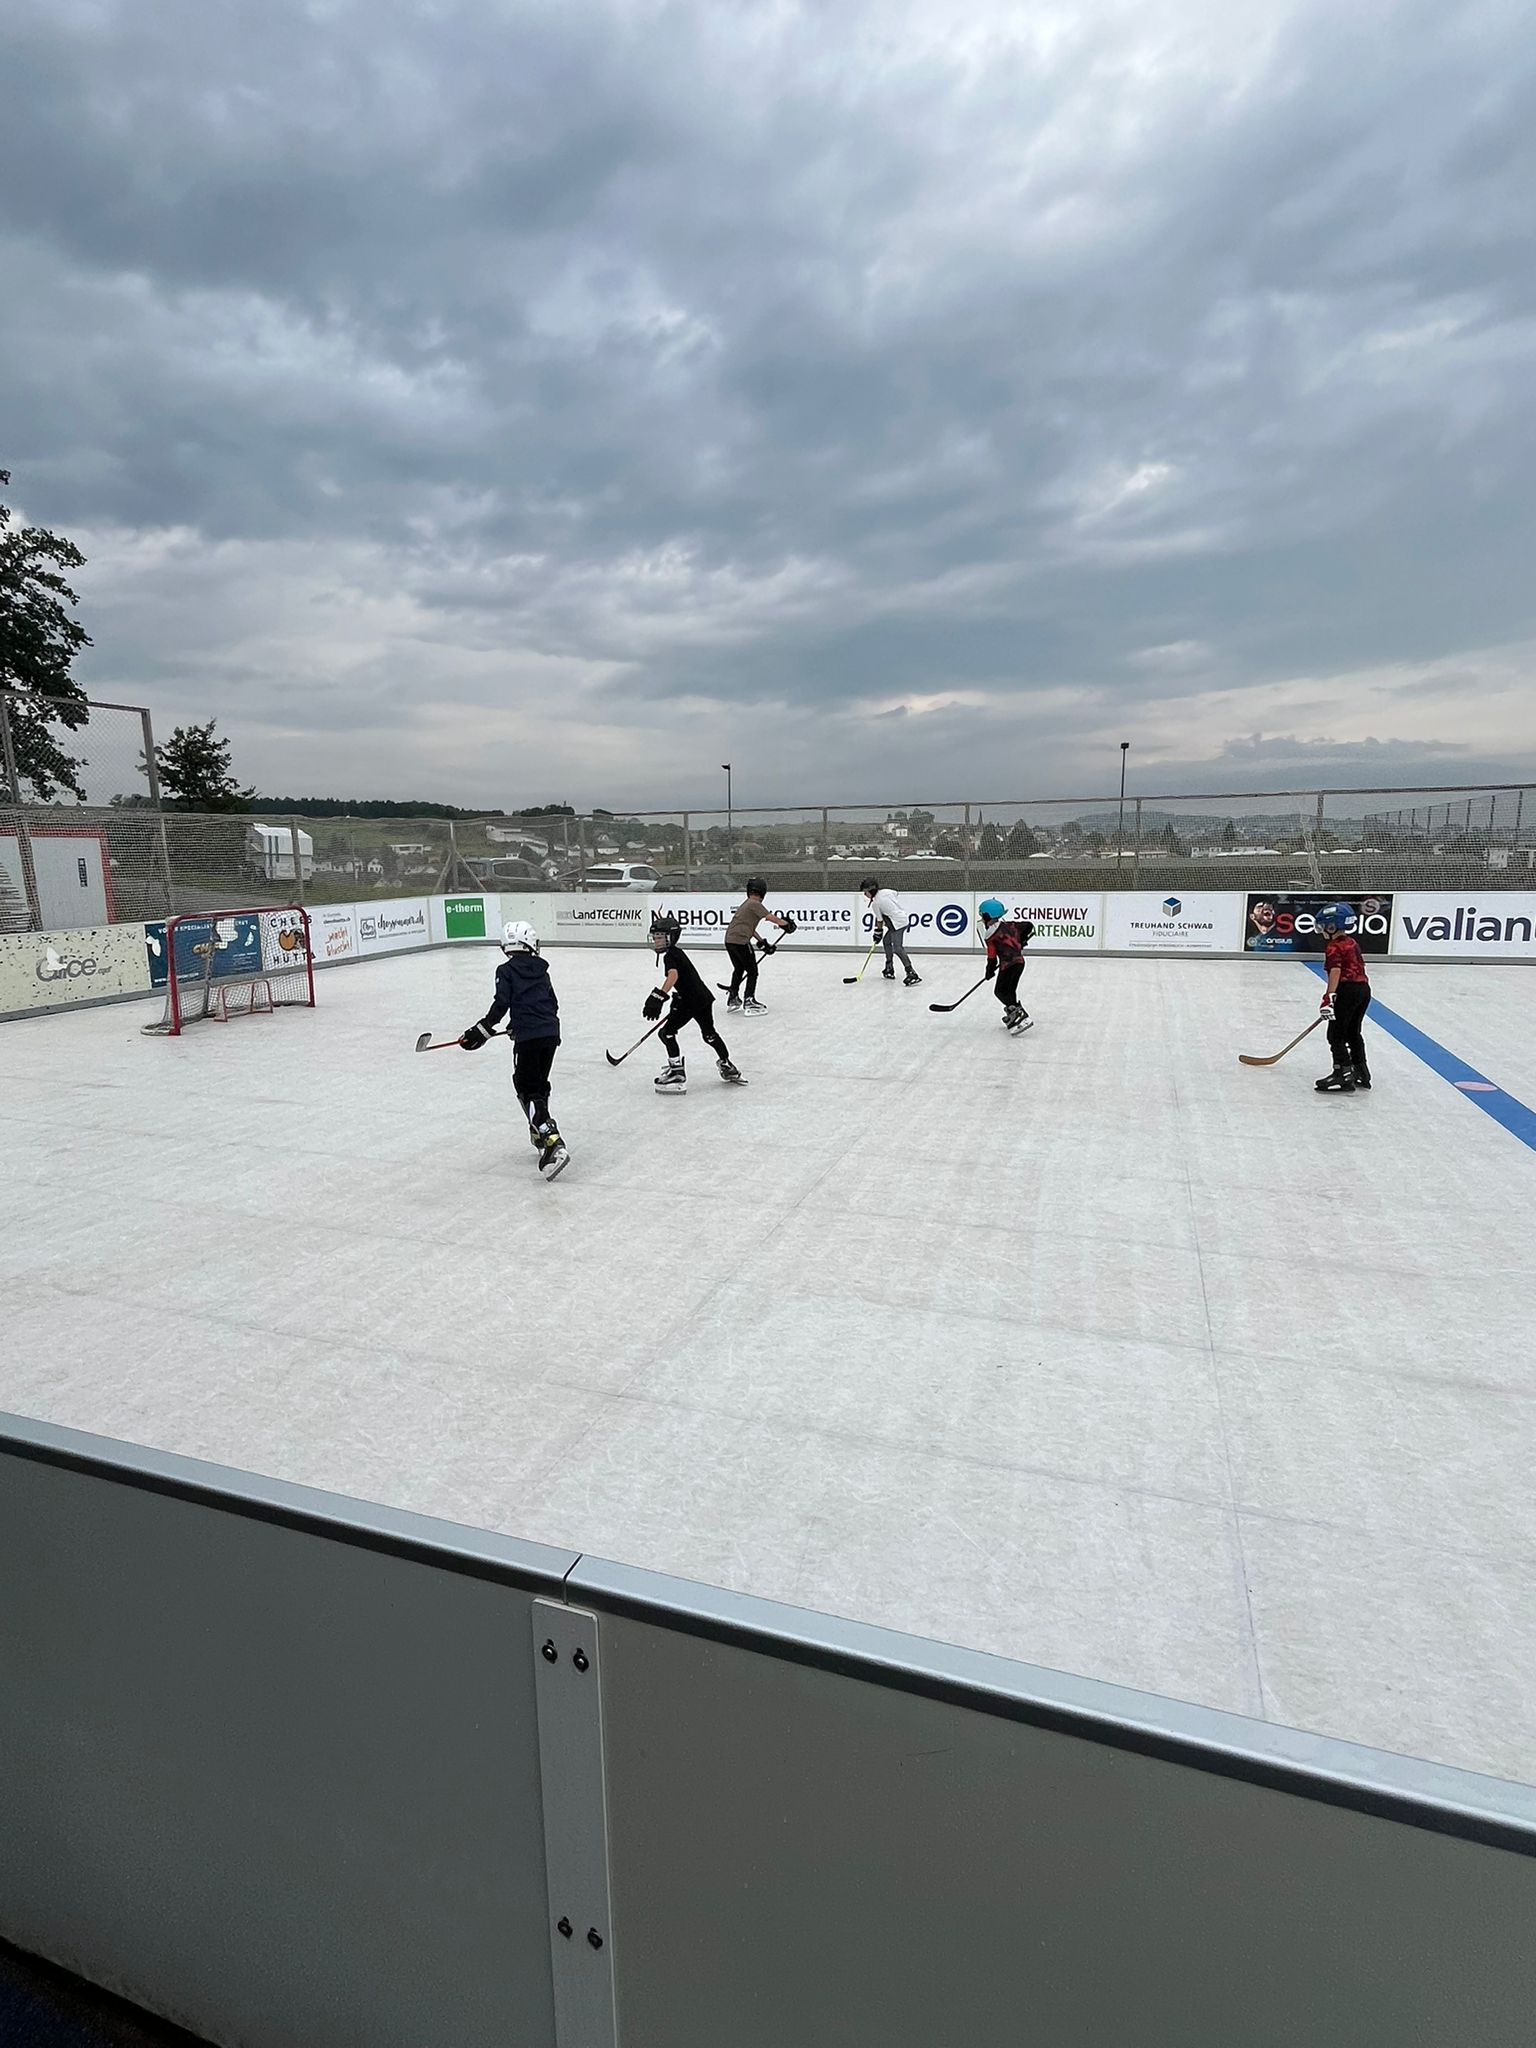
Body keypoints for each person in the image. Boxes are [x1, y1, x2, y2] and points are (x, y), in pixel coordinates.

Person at [460, 921, 568, 1177]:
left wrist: (480, 1031)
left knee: (525, 1086)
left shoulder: (505, 970)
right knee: (539, 1084)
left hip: (529, 1037)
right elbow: (551, 1004)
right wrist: (518, 1024)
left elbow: (502, 1003)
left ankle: (551, 1138)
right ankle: (538, 1131)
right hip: (550, 1033)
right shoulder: (542, 971)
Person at [645, 911, 746, 1094]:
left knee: (666, 1033)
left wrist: (659, 996)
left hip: (691, 1001)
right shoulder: (676, 952)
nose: (656, 941)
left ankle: (677, 1074)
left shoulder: (670, 956)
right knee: (709, 1034)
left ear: (671, 937)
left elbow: (673, 976)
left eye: (660, 937)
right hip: (703, 998)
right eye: (655, 937)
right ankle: (726, 1063)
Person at [1315, 902, 1372, 1094]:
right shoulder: (1352, 942)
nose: (1321, 929)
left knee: (1335, 1034)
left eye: (1323, 925)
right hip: (1363, 990)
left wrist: (1328, 997)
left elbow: (1335, 972)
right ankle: (1361, 1071)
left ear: (1332, 926)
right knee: (1353, 1032)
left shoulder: (1333, 947)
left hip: (1347, 992)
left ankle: (1342, 1074)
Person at [724, 879, 796, 1012]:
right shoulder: (754, 903)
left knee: (739, 968)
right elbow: (770, 918)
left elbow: (748, 927)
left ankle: (733, 997)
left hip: (730, 940)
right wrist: (786, 924)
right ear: (763, 892)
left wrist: (761, 941)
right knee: (752, 971)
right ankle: (749, 1000)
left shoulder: (747, 903)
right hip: (740, 941)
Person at [978, 899, 1034, 1033]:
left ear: (986, 916)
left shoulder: (989, 936)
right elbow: (1029, 925)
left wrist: (989, 971)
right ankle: (1013, 1013)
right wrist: (1021, 940)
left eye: (982, 916)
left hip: (1007, 965)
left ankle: (1018, 1013)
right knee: (1009, 991)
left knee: (1000, 991)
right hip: (1019, 963)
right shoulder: (1011, 925)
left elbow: (992, 958)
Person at [860, 878, 921, 985]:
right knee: (886, 941)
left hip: (898, 924)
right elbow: (895, 893)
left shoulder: (876, 904)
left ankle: (911, 972)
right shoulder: (886, 892)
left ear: (872, 891)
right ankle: (889, 967)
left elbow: (879, 921)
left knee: (897, 948)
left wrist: (877, 933)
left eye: (866, 892)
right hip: (901, 919)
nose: (865, 895)